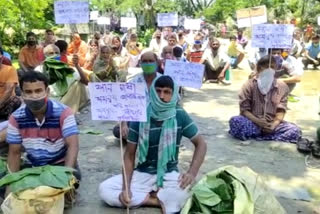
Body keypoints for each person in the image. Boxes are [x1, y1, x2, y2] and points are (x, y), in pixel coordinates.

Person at [100, 75, 207, 214]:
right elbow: (129, 155)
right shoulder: (140, 114)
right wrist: (126, 189)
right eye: (158, 91)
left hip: (169, 174)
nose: (162, 96)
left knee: (189, 194)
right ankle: (154, 200)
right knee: (104, 189)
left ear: (173, 93)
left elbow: (201, 144)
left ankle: (152, 197)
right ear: (152, 91)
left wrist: (192, 173)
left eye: (167, 92)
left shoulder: (179, 114)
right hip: (143, 173)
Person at [6, 72, 81, 190]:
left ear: (47, 92)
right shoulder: (15, 118)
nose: (34, 96)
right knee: (5, 184)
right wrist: (11, 186)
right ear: (22, 94)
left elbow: (73, 146)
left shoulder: (64, 113)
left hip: (59, 165)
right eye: (29, 92)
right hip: (33, 165)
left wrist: (66, 177)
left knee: (72, 179)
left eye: (38, 90)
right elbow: (14, 153)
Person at [229, 55, 302, 143]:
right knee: (235, 121)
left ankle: (260, 135)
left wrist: (273, 125)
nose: (269, 70)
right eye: (266, 67)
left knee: (294, 130)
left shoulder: (282, 86)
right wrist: (258, 121)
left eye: (272, 67)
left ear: (275, 69)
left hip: (272, 123)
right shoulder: (249, 85)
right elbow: (244, 109)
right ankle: (264, 135)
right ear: (259, 68)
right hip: (252, 122)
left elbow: (281, 110)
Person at [113, 51, 161, 140]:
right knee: (117, 130)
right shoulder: (133, 82)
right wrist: (123, 124)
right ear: (140, 64)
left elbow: (174, 102)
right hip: (138, 120)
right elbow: (125, 105)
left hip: (158, 119)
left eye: (151, 61)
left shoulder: (163, 80)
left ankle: (138, 138)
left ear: (157, 62)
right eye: (145, 61)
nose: (148, 63)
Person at [0, 49, 21, 120]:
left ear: (2, 57)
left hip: (5, 102)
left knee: (16, 100)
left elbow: (9, 90)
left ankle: (10, 120)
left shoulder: (10, 70)